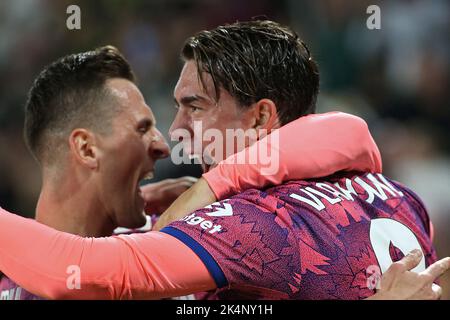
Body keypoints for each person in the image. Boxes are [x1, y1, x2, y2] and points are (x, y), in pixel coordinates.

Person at [0, 21, 446, 299]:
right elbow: (350, 131)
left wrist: (214, 187)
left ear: (261, 117)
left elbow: (87, 272)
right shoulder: (403, 198)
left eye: (195, 106)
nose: (173, 133)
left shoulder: (249, 224)